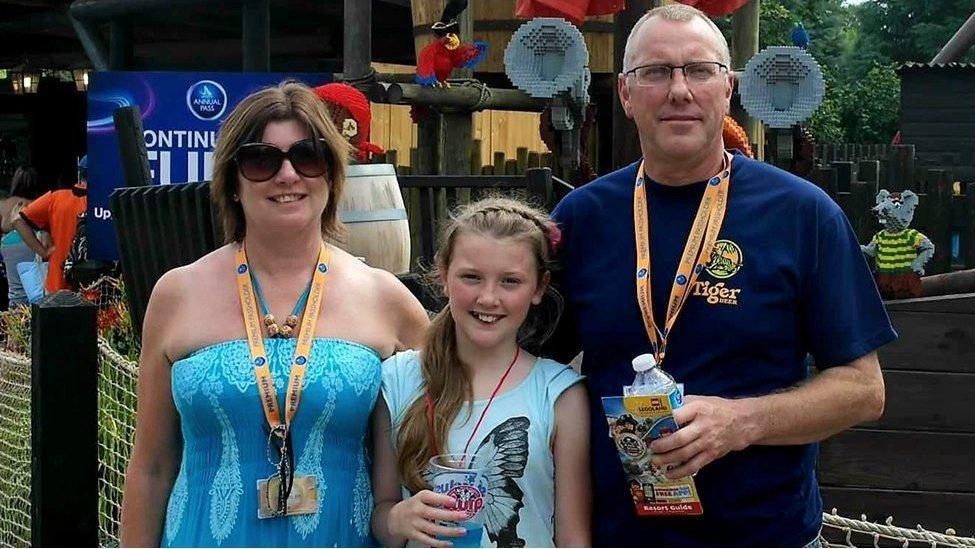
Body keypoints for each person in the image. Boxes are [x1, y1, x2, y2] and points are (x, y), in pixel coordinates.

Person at [547, 4, 895, 547]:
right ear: (625, 93)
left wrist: (742, 422)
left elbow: (863, 390)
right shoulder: (581, 219)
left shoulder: (802, 213)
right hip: (617, 536)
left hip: (767, 536)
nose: (679, 90)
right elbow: (524, 365)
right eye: (656, 72)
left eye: (699, 70)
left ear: (727, 88)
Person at [119, 81, 430, 547]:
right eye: (262, 160)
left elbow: (443, 437)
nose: (288, 176)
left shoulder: (387, 300)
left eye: (308, 156)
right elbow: (152, 466)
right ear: (233, 182)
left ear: (331, 174)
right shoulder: (177, 293)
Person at [371, 197, 591, 548]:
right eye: (471, 277)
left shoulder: (559, 394)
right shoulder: (396, 380)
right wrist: (396, 519)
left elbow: (573, 537)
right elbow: (381, 511)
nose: (489, 298)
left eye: (510, 282)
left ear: (538, 288)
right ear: (444, 277)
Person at [12, 156, 87, 294]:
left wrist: (43, 252)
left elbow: (17, 220)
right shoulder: (107, 201)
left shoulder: (57, 198)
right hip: (98, 288)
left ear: (80, 175)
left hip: (58, 285)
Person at [0, 166, 43, 306]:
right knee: (36, 288)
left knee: (16, 291)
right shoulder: (41, 203)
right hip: (33, 244)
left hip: (8, 246)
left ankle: (16, 316)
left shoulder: (4, 204)